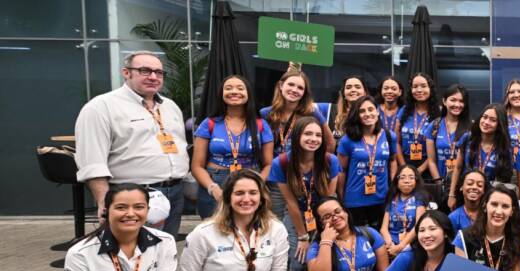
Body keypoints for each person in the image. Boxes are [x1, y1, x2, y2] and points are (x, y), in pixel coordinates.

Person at [74, 51, 189, 236]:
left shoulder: (170, 106)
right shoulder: (101, 107)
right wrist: (105, 202)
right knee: (129, 255)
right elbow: (92, 162)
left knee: (164, 252)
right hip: (130, 197)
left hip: (174, 193)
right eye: (145, 71)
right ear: (126, 73)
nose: (153, 77)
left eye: (159, 73)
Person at [268, 116, 341, 271]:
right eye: (308, 134)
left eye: (318, 135)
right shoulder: (281, 163)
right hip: (296, 216)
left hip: (325, 216)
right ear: (298, 135)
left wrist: (326, 233)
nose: (313, 139)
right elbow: (290, 202)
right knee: (299, 261)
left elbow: (330, 199)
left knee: (328, 257)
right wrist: (302, 237)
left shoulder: (329, 161)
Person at [193, 75, 275, 218]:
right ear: (221, 94)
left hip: (250, 180)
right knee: (215, 232)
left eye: (240, 88)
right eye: (228, 88)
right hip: (215, 181)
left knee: (248, 228)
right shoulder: (210, 123)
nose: (234, 91)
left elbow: (269, 164)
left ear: (248, 93)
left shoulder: (261, 125)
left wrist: (257, 185)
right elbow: (197, 166)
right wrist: (213, 189)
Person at [336, 95, 396, 229]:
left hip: (381, 198)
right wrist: (341, 198)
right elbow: (341, 170)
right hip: (355, 200)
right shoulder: (347, 140)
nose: (367, 114)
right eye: (362, 111)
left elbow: (393, 161)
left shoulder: (389, 136)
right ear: (356, 115)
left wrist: (393, 186)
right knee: (359, 241)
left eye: (371, 109)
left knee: (379, 239)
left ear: (377, 111)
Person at [260, 69, 333, 154]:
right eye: (291, 84)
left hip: (300, 166)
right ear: (281, 85)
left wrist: (319, 164)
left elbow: (330, 144)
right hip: (272, 166)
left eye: (300, 88)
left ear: (304, 93)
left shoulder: (311, 113)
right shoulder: (265, 113)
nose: (294, 90)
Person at [427, 84, 472, 205]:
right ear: (444, 101)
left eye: (461, 101)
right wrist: (438, 183)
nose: (457, 105)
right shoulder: (434, 125)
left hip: (464, 186)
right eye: (453, 100)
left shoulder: (471, 127)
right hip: (440, 183)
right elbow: (431, 160)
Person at [456, 103, 514, 186]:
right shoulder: (468, 138)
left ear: (500, 124)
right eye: (485, 117)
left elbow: (505, 178)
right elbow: (458, 168)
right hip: (467, 191)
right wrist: (452, 195)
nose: (486, 122)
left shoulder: (505, 147)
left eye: (493, 120)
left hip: (491, 194)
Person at [380, 164, 428, 257]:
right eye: (402, 177)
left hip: (411, 243)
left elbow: (418, 226)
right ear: (397, 181)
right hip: (390, 242)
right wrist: (390, 243)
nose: (407, 181)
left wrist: (400, 246)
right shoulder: (392, 198)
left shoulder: (419, 198)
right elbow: (383, 228)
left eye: (411, 177)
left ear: (416, 181)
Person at [399, 73, 441, 175]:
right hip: (405, 164)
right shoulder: (404, 111)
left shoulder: (439, 113)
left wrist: (419, 171)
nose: (419, 90)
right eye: (415, 87)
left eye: (423, 86)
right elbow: (397, 142)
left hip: (429, 165)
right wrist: (404, 167)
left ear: (430, 88)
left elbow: (438, 145)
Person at [329, 76, 369, 149]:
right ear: (343, 93)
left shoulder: (372, 113)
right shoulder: (330, 110)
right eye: (348, 87)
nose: (353, 90)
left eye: (357, 87)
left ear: (365, 93)